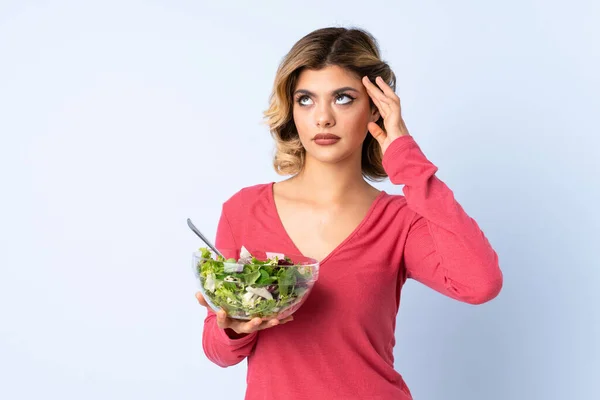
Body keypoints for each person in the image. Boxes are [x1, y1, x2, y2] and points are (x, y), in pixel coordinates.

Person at [195, 26, 503, 400]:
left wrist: (407, 160)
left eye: (342, 98)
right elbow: (218, 351)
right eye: (306, 100)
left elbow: (479, 284)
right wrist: (234, 329)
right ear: (291, 111)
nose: (322, 118)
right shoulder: (244, 209)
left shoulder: (400, 220)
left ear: (375, 107)